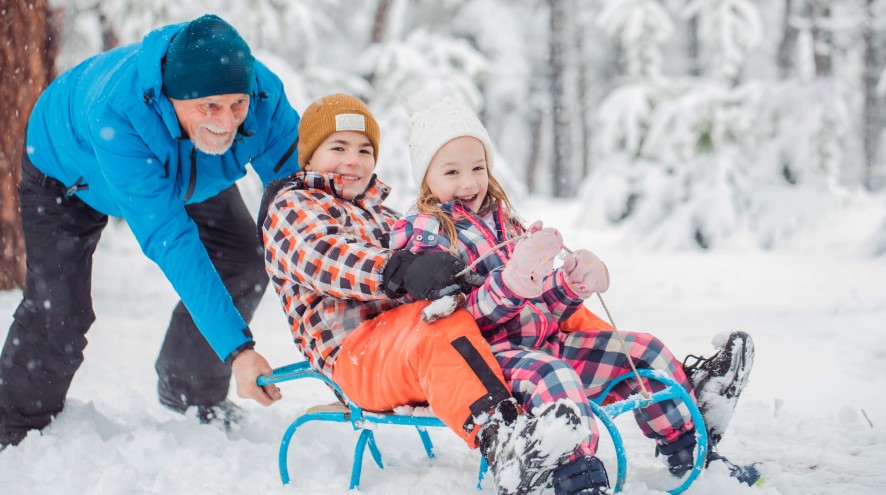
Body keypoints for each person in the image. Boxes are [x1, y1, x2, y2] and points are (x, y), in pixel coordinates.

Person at [390, 96, 761, 494]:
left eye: (478, 168)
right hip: (488, 362)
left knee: (642, 350)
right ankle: (574, 477)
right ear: (427, 178)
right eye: (451, 171)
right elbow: (449, 321)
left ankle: (691, 450)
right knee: (556, 377)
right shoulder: (427, 233)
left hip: (543, 343)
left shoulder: (504, 222)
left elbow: (540, 306)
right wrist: (511, 283)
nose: (469, 182)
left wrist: (569, 285)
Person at [260, 93, 588, 495]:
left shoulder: (386, 216)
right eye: (338, 147)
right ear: (309, 158)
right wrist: (399, 269)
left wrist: (515, 274)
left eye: (365, 150)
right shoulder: (293, 205)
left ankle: (647, 366)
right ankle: (504, 441)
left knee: (541, 300)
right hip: (356, 354)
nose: (353, 160)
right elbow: (323, 256)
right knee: (437, 322)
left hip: (402, 339)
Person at [0, 14, 298, 448]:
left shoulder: (265, 97)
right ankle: (14, 429)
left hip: (185, 167)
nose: (228, 121)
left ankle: (188, 387)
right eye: (209, 106)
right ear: (172, 97)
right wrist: (239, 350)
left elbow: (295, 205)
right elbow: (171, 238)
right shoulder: (119, 113)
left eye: (236, 103)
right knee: (60, 314)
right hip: (67, 170)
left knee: (245, 259)